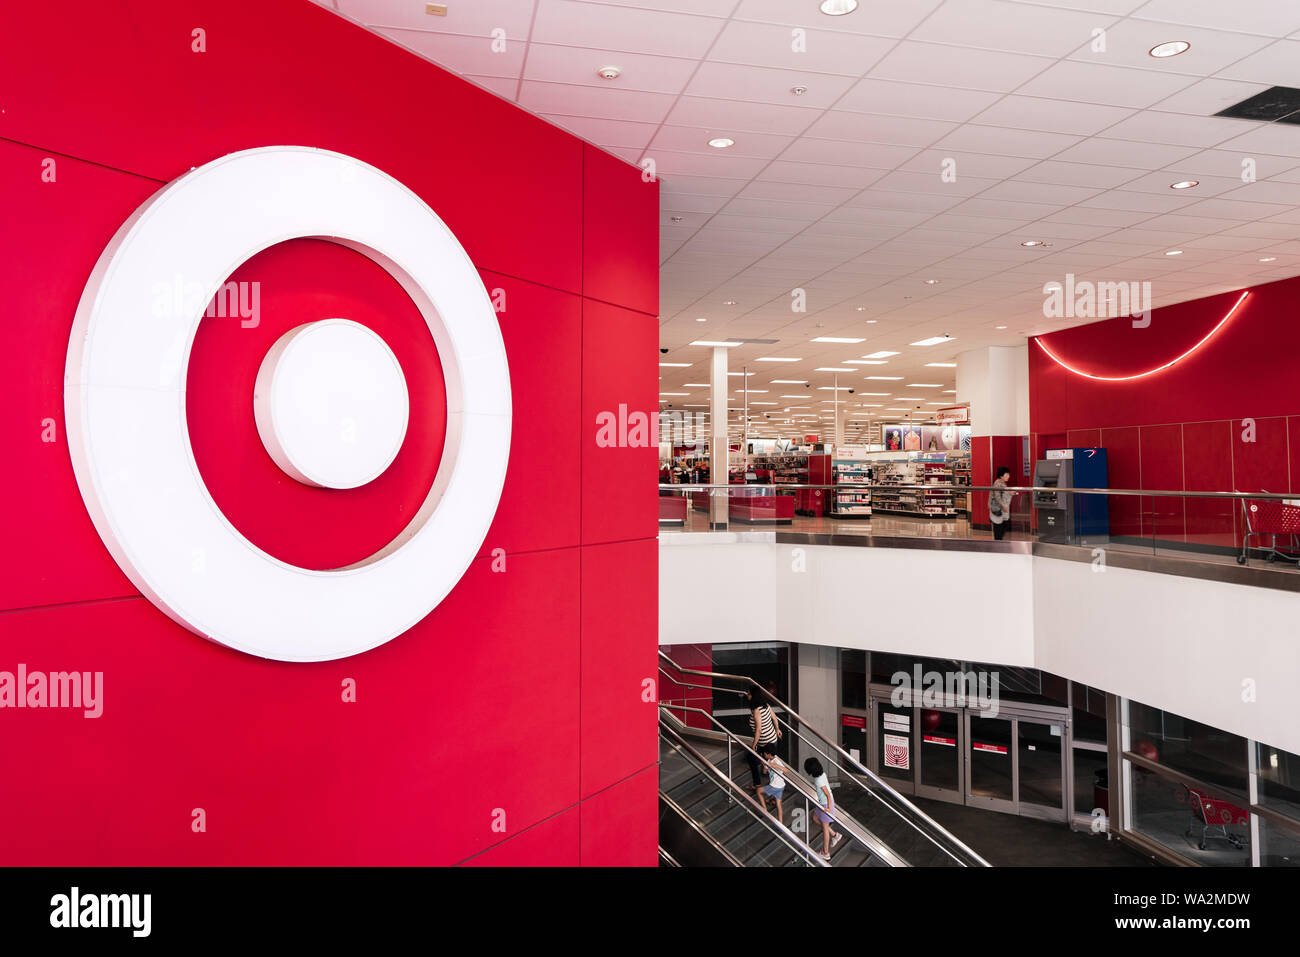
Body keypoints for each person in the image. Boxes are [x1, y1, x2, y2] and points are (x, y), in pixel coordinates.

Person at [745, 688, 782, 797]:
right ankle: (764, 774)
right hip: (772, 739)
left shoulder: (756, 711)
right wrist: (777, 729)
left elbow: (759, 730)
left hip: (765, 742)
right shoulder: (765, 705)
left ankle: (759, 785)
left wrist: (754, 745)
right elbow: (775, 718)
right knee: (768, 764)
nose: (747, 694)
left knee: (751, 758)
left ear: (753, 696)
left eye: (748, 693)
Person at [804, 758, 844, 859]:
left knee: (825, 828)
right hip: (822, 804)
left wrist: (829, 808)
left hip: (826, 805)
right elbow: (828, 788)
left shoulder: (818, 780)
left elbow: (828, 795)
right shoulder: (822, 774)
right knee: (815, 818)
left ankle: (825, 853)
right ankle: (835, 835)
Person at [758, 746, 791, 822]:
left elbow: (786, 770)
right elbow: (764, 772)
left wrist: (776, 765)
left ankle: (765, 811)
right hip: (781, 786)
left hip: (775, 786)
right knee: (778, 805)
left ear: (768, 754)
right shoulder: (768, 760)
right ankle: (781, 823)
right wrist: (764, 765)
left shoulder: (777, 761)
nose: (764, 755)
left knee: (758, 791)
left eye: (764, 754)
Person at [989, 466, 1014, 540]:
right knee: (999, 530)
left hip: (1002, 511)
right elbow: (997, 496)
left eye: (1008, 474)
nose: (1008, 476)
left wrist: (1010, 493)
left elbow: (1003, 493)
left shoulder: (1002, 483)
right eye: (1006, 475)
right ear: (1001, 475)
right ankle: (997, 546)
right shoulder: (998, 484)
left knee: (1002, 528)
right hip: (998, 511)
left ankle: (999, 544)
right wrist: (1003, 506)